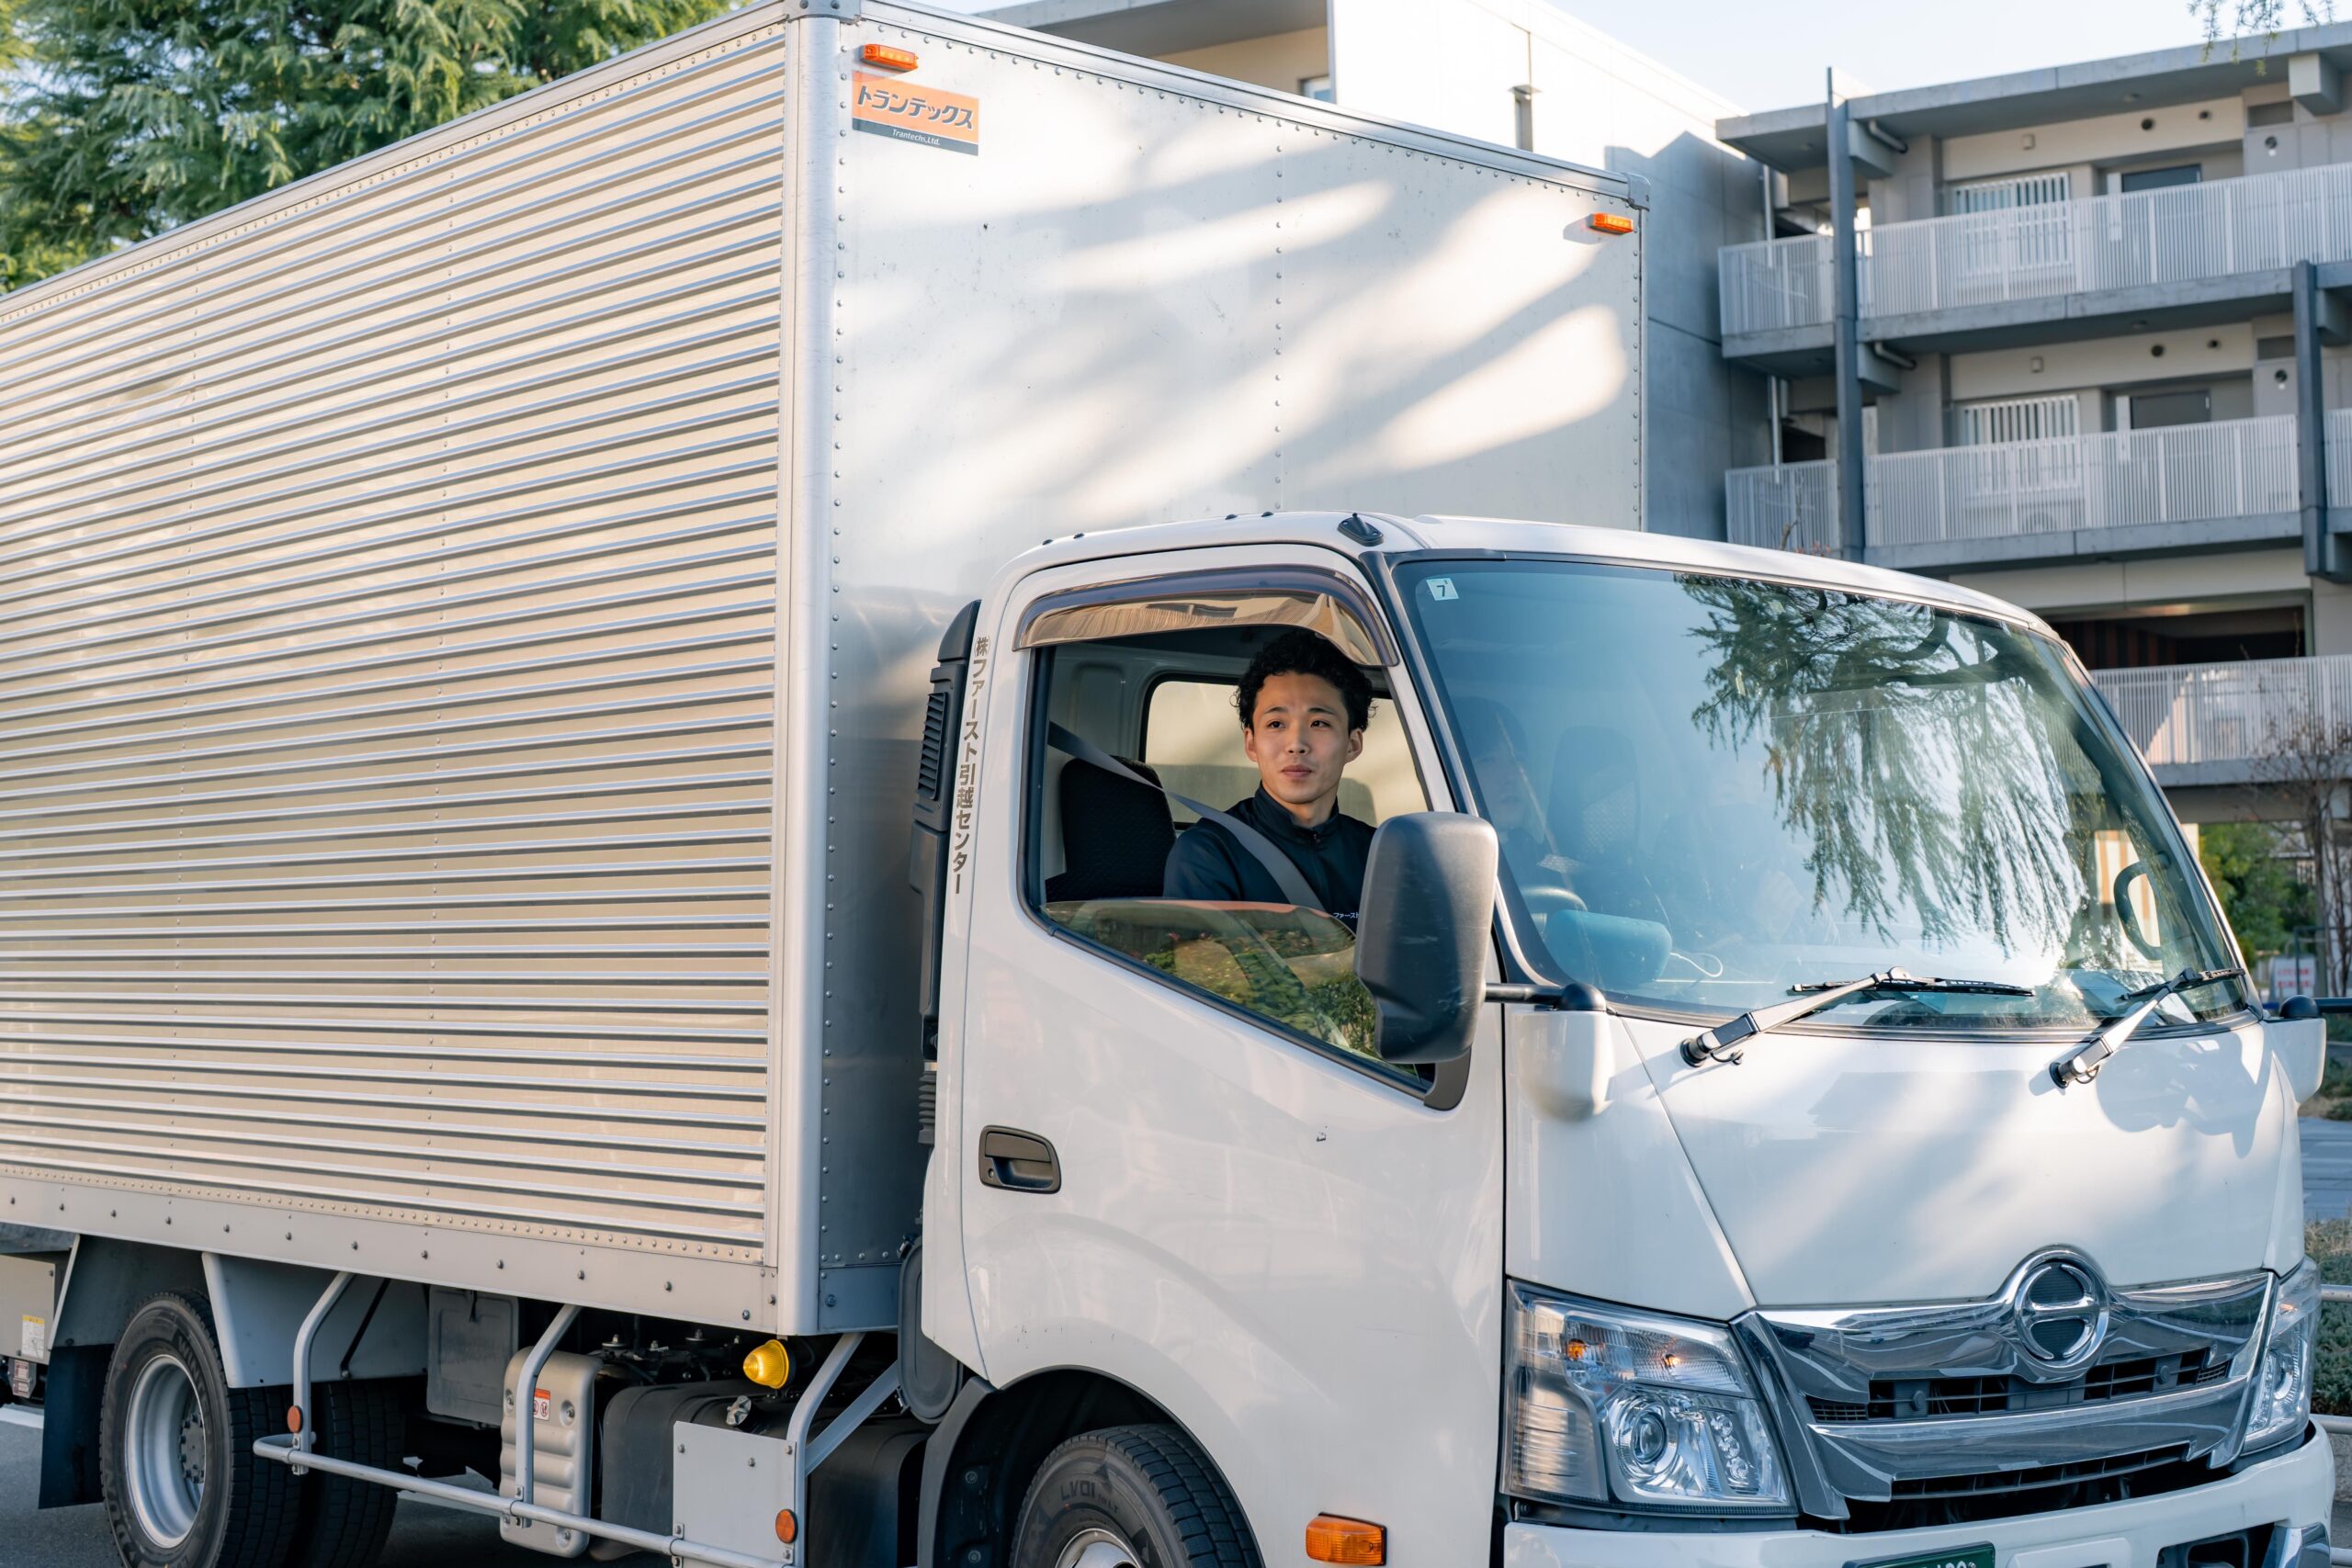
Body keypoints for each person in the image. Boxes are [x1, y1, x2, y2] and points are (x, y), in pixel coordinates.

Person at [1161, 628, 1377, 919]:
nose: (1296, 744)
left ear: (1352, 744)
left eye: (1319, 723)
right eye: (1276, 724)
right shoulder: (1208, 852)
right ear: (1251, 743)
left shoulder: (1381, 855)